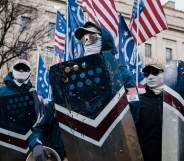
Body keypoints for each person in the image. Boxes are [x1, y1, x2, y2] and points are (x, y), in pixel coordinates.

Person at [75, 21, 140, 124]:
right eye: (84, 40)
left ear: (103, 41)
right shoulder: (81, 76)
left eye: (91, 38)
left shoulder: (123, 75)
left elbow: (134, 107)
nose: (86, 43)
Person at [0, 59, 40, 161]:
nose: (21, 71)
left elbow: (39, 124)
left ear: (30, 72)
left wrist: (37, 143)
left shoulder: (35, 98)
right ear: (13, 70)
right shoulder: (1, 93)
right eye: (18, 68)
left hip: (26, 150)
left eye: (25, 69)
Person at [137, 64, 164, 161]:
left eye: (155, 72)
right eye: (146, 74)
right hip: (147, 156)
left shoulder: (173, 101)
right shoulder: (139, 101)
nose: (150, 77)